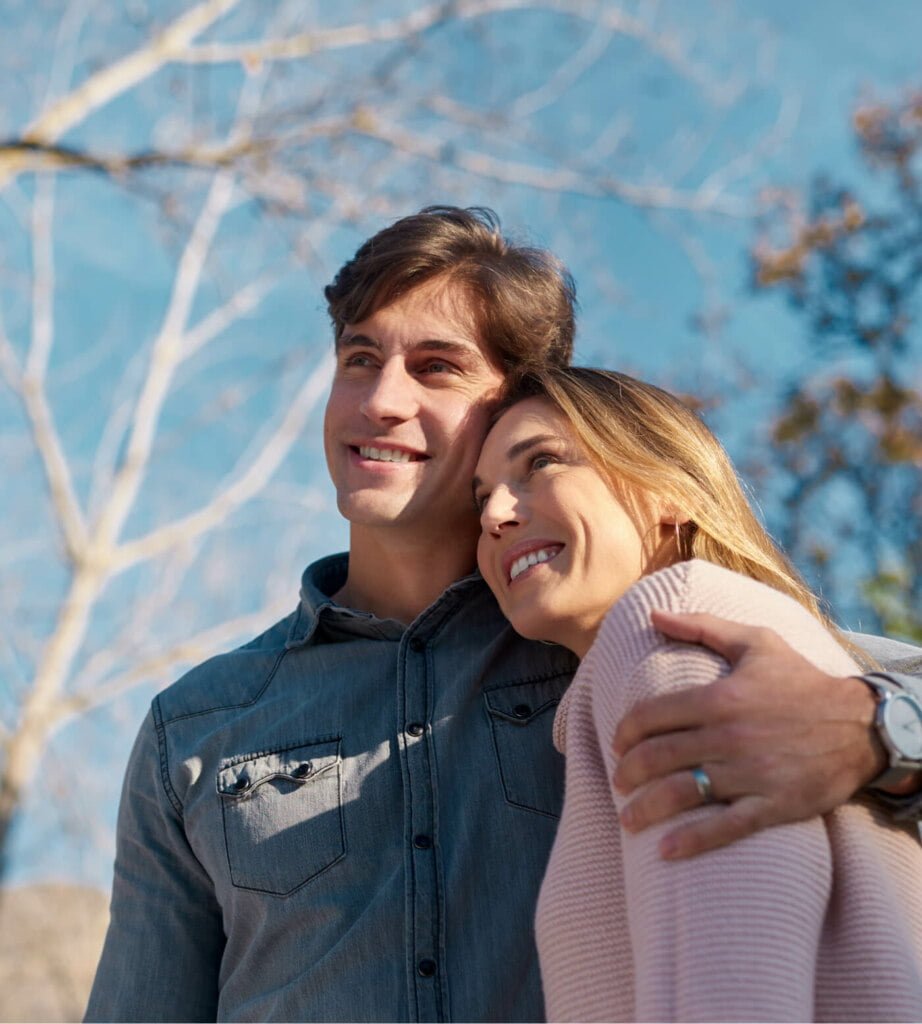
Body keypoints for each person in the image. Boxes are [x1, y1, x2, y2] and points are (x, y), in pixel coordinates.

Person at [86, 207, 922, 1023]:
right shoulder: (196, 725)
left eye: (437, 367)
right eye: (358, 357)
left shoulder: (623, 632)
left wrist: (873, 729)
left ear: (518, 405)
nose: (380, 399)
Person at [474, 365, 922, 1022]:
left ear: (667, 490)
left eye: (540, 462)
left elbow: (730, 987)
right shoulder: (743, 638)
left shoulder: (670, 626)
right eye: (478, 498)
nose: (493, 514)